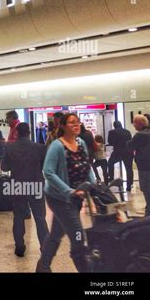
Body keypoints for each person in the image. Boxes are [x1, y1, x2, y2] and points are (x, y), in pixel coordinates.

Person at [36, 113, 96, 273]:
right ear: (63, 126)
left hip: (76, 198)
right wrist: (68, 191)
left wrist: (93, 184)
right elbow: (48, 172)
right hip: (60, 199)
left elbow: (87, 166)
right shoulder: (57, 146)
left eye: (77, 122)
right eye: (72, 122)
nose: (76, 125)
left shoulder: (81, 142)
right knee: (78, 235)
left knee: (56, 234)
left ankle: (43, 266)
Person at [1, 123, 48, 257]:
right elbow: (44, 166)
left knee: (18, 217)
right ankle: (45, 247)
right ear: (29, 132)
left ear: (17, 133)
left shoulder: (9, 147)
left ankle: (19, 247)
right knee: (40, 218)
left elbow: (4, 167)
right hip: (36, 185)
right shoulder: (40, 148)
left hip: (17, 186)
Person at [127, 115, 150, 216]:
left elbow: (129, 146)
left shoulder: (140, 135)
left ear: (140, 123)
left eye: (134, 122)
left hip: (145, 167)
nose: (133, 124)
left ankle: (149, 212)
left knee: (147, 189)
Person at [107, 121, 133, 191]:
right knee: (129, 169)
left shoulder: (112, 132)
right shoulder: (127, 131)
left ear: (114, 125)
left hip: (117, 152)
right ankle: (129, 186)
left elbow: (110, 142)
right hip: (128, 152)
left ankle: (111, 178)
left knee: (110, 163)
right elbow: (130, 141)